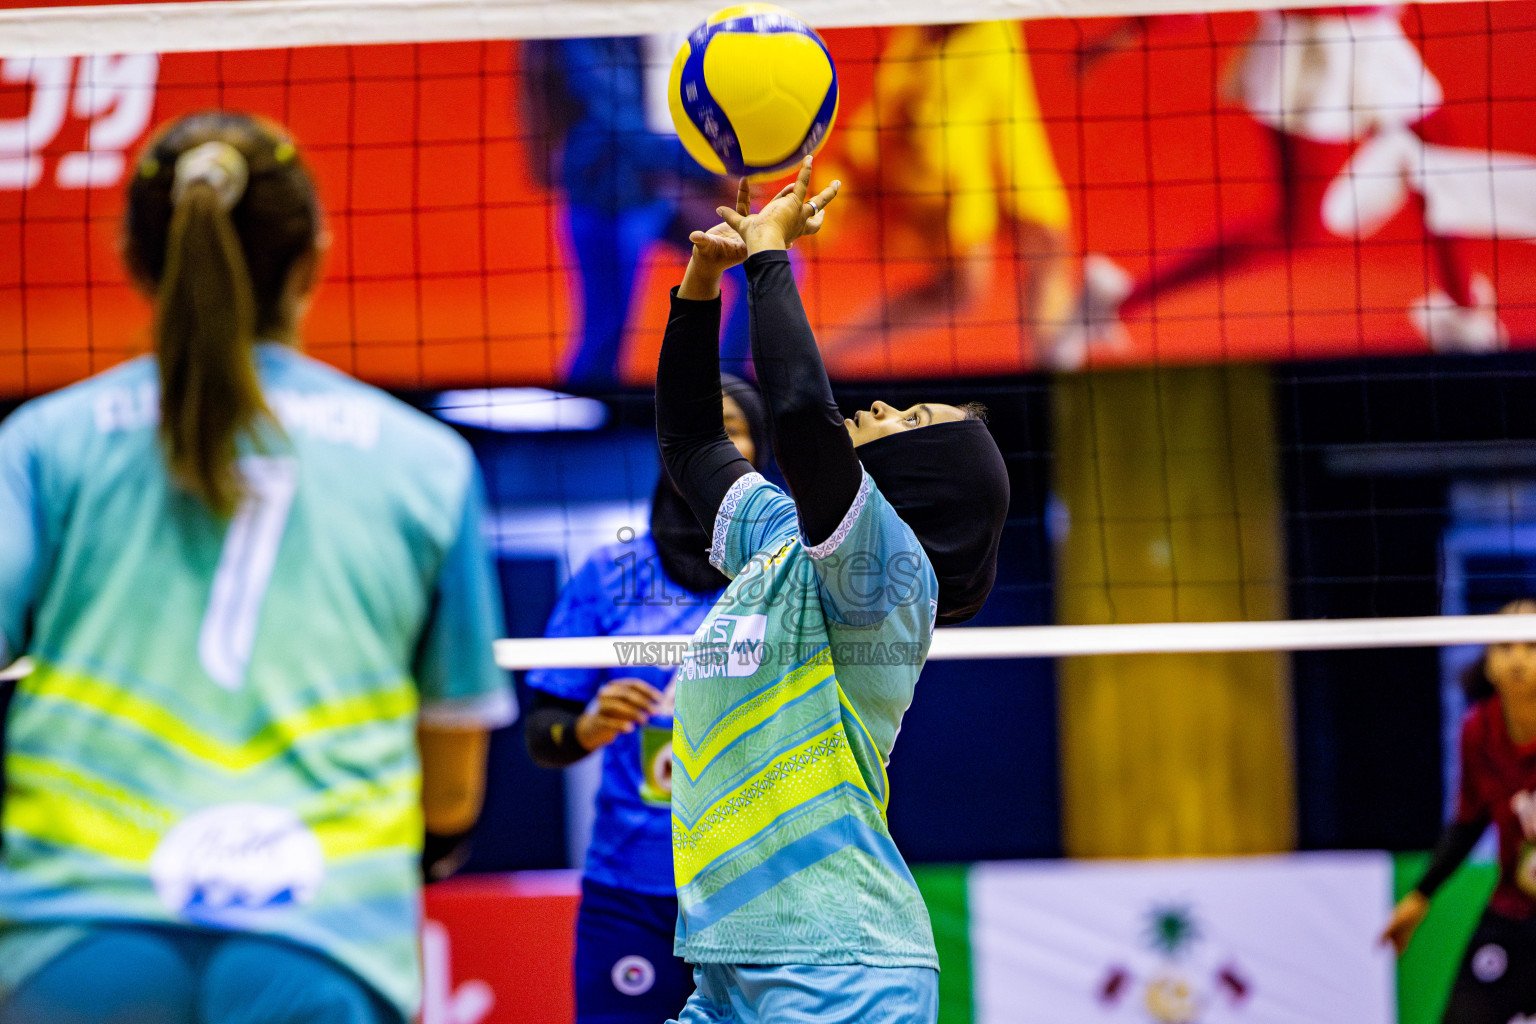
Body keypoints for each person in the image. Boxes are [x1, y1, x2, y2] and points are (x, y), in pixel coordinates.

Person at [0, 111, 514, 1024]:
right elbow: (453, 788)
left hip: (78, 927)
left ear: (132, 257)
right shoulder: (425, 461)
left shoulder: (43, 444)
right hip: (322, 929)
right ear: (313, 260)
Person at [655, 160, 1010, 1023]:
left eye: (912, 421)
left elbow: (806, 423)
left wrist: (772, 257)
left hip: (839, 964)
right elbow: (694, 443)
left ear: (930, 481)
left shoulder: (891, 578)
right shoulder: (783, 543)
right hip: (731, 959)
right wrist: (704, 283)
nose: (885, 405)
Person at [522, 376, 770, 1024]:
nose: (715, 440)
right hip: (632, 890)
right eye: (699, 425)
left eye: (731, 426)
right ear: (671, 448)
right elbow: (541, 729)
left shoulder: (791, 572)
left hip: (764, 888)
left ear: (760, 451)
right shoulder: (610, 573)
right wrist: (586, 728)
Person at [1072, 7, 1506, 358]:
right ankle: (1115, 303)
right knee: (1297, 231)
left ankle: (1464, 313)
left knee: (1443, 173)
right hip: (1313, 52)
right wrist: (1132, 28)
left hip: (1373, 38)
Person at [825, 21, 1075, 372]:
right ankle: (822, 357)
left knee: (1044, 240)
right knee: (965, 284)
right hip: (944, 72)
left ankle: (1056, 370)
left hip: (988, 49)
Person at [523, 36, 753, 388]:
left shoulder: (647, 26)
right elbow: (623, 126)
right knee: (603, 338)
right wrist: (717, 163)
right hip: (604, 202)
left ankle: (723, 395)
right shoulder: (577, 33)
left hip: (656, 188)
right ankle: (582, 429)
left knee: (763, 261)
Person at [1381, 599, 1536, 1023]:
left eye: (1530, 645)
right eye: (1505, 646)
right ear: (1489, 665)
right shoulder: (1478, 730)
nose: (1518, 657)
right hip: (1513, 910)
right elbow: (1469, 822)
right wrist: (1420, 896)